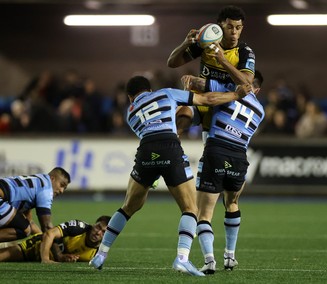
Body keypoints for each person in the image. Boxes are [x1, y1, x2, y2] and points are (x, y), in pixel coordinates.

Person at [89, 75, 253, 276]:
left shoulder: (130, 112)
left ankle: (101, 255)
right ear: (149, 89)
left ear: (131, 97)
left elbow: (151, 127)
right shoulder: (165, 93)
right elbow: (206, 100)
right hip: (169, 145)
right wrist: (235, 94)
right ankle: (182, 258)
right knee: (191, 208)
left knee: (129, 207)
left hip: (146, 151)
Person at [181, 73, 264, 274]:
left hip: (216, 149)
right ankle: (230, 256)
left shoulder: (227, 90)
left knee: (204, 214)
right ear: (258, 90)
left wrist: (189, 83)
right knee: (232, 203)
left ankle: (209, 261)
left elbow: (201, 88)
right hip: (239, 156)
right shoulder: (261, 110)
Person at [167, 5, 255, 138]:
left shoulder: (244, 52)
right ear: (220, 26)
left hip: (223, 103)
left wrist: (223, 61)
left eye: (238, 28)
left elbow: (247, 83)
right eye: (230, 27)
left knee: (210, 146)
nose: (234, 32)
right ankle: (173, 141)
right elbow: (172, 63)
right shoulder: (207, 44)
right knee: (181, 116)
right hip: (201, 98)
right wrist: (185, 43)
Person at [0, 167, 71, 242]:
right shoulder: (46, 189)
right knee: (24, 229)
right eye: (62, 185)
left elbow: (29, 221)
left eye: (64, 188)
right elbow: (47, 226)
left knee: (20, 223)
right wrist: (56, 250)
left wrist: (42, 238)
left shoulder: (37, 181)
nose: (62, 190)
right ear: (52, 179)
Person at [0, 215, 110, 263]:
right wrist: (46, 259)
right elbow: (49, 234)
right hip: (35, 247)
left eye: (104, 232)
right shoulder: (79, 227)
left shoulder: (99, 253)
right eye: (98, 227)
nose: (98, 232)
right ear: (93, 225)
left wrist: (65, 258)